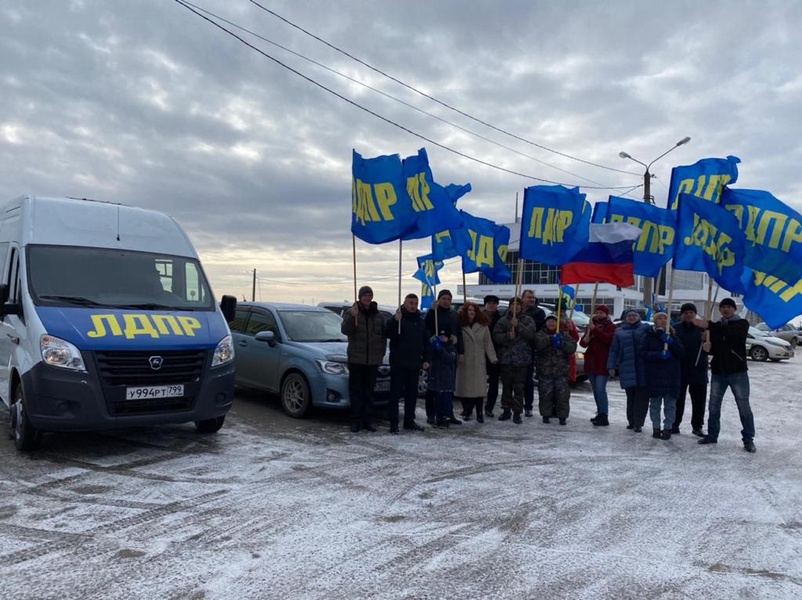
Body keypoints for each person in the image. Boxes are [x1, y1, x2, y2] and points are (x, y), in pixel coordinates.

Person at [692, 298, 756, 453]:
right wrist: (709, 347)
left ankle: (748, 439)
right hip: (719, 372)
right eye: (723, 307)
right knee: (714, 405)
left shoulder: (742, 324)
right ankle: (712, 435)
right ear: (720, 310)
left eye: (729, 307)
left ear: (734, 309)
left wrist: (710, 325)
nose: (726, 309)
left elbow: (734, 336)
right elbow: (718, 349)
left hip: (738, 372)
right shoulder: (716, 327)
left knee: (743, 406)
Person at [341, 286, 386, 433]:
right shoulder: (353, 312)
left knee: (369, 392)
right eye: (365, 295)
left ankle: (369, 420)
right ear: (360, 297)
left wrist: (380, 355)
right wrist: (352, 317)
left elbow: (382, 337)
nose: (367, 298)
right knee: (356, 392)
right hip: (356, 359)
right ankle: (355, 420)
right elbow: (346, 331)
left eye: (369, 295)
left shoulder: (378, 315)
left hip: (372, 360)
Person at [385, 293, 428, 434]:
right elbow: (389, 334)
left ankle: (409, 420)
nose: (413, 306)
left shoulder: (420, 320)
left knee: (412, 394)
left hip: (414, 363)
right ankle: (394, 422)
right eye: (410, 303)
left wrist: (426, 359)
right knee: (395, 394)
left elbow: (425, 342)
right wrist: (394, 321)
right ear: (404, 303)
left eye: (415, 303)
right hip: (399, 362)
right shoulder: (398, 318)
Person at [640, 312, 685, 440]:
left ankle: (668, 428)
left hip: (671, 375)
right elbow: (643, 353)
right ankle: (656, 427)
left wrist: (671, 342)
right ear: (655, 321)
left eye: (665, 318)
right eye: (660, 318)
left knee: (670, 405)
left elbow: (681, 353)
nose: (663, 320)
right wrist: (658, 355)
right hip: (655, 375)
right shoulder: (649, 336)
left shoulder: (673, 335)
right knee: (655, 404)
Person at [493, 297, 537, 424]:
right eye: (513, 304)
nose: (516, 307)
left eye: (518, 304)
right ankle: (506, 410)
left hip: (521, 360)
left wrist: (518, 326)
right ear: (510, 306)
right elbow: (496, 336)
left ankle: (517, 412)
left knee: (519, 388)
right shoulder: (503, 320)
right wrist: (507, 336)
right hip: (507, 359)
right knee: (507, 386)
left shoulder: (528, 320)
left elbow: (531, 335)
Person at [424, 289, 464, 424]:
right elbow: (426, 328)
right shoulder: (433, 313)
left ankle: (448, 413)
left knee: (448, 386)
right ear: (439, 300)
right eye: (444, 299)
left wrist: (461, 351)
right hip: (435, 352)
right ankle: (431, 414)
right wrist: (430, 311)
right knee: (434, 386)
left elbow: (459, 333)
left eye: (448, 299)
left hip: (450, 351)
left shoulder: (454, 314)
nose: (446, 301)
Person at [607, 309, 649, 433]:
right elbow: (614, 350)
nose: (632, 317)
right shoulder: (619, 332)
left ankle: (638, 423)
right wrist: (611, 366)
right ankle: (631, 421)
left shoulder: (645, 329)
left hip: (643, 368)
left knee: (641, 398)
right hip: (627, 367)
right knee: (630, 397)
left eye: (634, 315)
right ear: (625, 318)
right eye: (629, 316)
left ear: (638, 317)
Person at [455, 302, 498, 423]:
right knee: (465, 388)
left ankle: (479, 412)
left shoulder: (483, 326)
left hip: (478, 360)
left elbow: (488, 343)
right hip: (464, 360)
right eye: (469, 310)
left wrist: (493, 357)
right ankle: (467, 410)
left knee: (478, 389)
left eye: (473, 310)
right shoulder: (460, 325)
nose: (471, 312)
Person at [534, 315, 577, 425]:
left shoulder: (564, 335)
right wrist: (550, 339)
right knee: (545, 395)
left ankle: (562, 416)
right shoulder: (540, 334)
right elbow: (538, 345)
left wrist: (562, 343)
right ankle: (546, 415)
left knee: (562, 396)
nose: (551, 324)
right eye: (549, 322)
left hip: (561, 372)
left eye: (553, 322)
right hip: (545, 371)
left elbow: (572, 348)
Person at [673, 303, 708, 436]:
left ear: (695, 314)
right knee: (677, 399)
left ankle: (697, 426)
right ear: (682, 315)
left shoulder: (703, 329)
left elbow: (712, 348)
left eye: (691, 313)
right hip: (680, 369)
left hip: (699, 369)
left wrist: (709, 341)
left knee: (699, 401)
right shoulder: (675, 329)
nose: (688, 315)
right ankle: (674, 424)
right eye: (686, 313)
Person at [580, 305, 616, 427]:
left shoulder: (611, 326)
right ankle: (600, 412)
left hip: (603, 361)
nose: (599, 314)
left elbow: (608, 339)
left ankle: (604, 414)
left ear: (606, 314)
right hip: (591, 362)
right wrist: (586, 338)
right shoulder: (590, 325)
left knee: (600, 389)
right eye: (597, 312)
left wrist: (594, 330)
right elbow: (583, 344)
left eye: (602, 312)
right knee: (595, 390)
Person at [427, 325, 459, 429]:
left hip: (447, 380)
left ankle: (447, 420)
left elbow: (450, 359)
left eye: (444, 337)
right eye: (440, 337)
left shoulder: (451, 348)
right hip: (437, 378)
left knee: (447, 402)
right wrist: (432, 347)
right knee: (437, 401)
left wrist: (441, 350)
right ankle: (438, 419)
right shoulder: (435, 348)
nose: (442, 339)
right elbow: (430, 357)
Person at [521, 289, 546, 417]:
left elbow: (535, 328)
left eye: (533, 297)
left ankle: (528, 406)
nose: (532, 299)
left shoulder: (538, 312)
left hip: (530, 350)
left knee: (527, 379)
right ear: (522, 298)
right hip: (515, 351)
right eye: (529, 297)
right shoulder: (516, 311)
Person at [482, 295, 502, 418]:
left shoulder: (500, 319)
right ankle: (472, 407)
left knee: (493, 383)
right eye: (489, 303)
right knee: (478, 382)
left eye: (494, 303)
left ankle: (489, 407)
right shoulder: (478, 318)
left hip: (495, 355)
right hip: (479, 354)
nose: (491, 305)